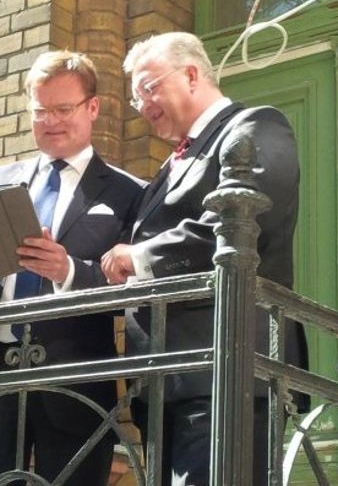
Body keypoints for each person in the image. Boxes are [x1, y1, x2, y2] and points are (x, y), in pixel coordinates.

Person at [0, 50, 145, 486]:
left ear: (93, 108)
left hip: (75, 384)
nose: (51, 121)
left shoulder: (129, 192)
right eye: (40, 110)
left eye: (63, 109)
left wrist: (69, 271)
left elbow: (135, 290)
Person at [101, 32, 309, 485]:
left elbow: (245, 216)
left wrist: (140, 257)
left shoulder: (254, 127)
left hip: (225, 369)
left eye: (149, 88)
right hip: (164, 382)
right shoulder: (170, 164)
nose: (143, 105)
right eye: (136, 98)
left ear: (192, 74)